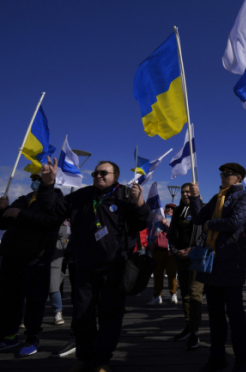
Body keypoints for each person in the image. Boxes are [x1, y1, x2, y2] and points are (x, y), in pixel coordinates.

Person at [37, 158, 150, 372]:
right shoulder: (82, 195)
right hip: (84, 266)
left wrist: (140, 204)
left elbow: (142, 223)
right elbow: (52, 209)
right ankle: (84, 357)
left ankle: (102, 360)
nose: (98, 176)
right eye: (95, 173)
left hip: (115, 267)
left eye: (103, 173)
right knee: (82, 315)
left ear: (115, 176)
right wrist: (47, 184)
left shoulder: (126, 195)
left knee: (110, 315)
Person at [189, 163, 246, 372]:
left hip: (231, 263)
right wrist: (195, 198)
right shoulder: (216, 198)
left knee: (235, 315)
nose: (223, 177)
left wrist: (210, 224)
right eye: (222, 174)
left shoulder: (244, 197)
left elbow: (234, 222)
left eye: (227, 174)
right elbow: (199, 218)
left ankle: (242, 360)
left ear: (238, 178)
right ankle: (217, 357)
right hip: (212, 264)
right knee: (215, 315)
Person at [0, 173, 64, 357]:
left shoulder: (55, 199)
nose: (34, 182)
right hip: (12, 254)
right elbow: (4, 223)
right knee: (9, 298)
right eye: (33, 179)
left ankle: (32, 337)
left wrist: (20, 214)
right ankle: (9, 335)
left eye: (39, 178)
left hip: (37, 256)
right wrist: (2, 209)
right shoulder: (23, 198)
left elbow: (52, 221)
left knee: (35, 299)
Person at [167, 184, 204, 349]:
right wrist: (175, 250)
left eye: (188, 191)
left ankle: (195, 331)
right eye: (183, 192)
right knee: (185, 294)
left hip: (196, 257)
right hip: (181, 257)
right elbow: (171, 234)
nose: (185, 194)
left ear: (195, 192)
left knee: (195, 293)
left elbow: (205, 232)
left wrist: (193, 248)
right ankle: (189, 326)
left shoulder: (201, 209)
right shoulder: (177, 211)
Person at [148, 203, 178, 306]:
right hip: (158, 251)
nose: (169, 209)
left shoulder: (176, 220)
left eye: (172, 208)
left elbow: (175, 231)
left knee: (172, 275)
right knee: (157, 275)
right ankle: (157, 296)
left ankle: (173, 294)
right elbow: (152, 234)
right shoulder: (158, 221)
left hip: (171, 252)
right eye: (168, 207)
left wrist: (167, 223)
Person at [49, 220, 71, 326]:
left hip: (61, 247)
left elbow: (62, 232)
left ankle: (58, 311)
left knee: (54, 284)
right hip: (46, 247)